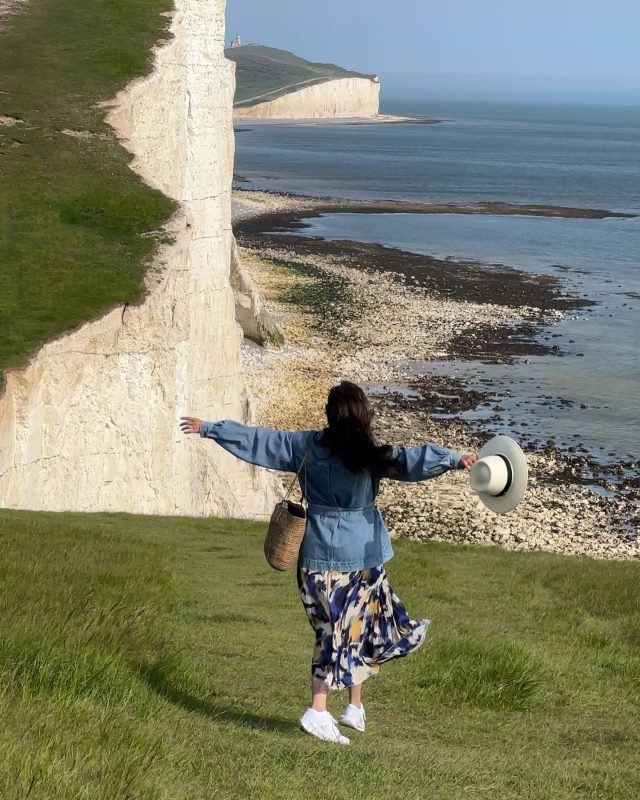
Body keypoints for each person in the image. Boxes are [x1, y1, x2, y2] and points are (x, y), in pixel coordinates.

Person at [180, 381, 476, 745]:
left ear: (330, 416)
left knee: (348, 629)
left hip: (319, 559)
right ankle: (317, 711)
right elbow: (411, 460)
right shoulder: (370, 455)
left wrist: (211, 429)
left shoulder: (307, 446)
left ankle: (354, 707)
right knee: (350, 630)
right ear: (363, 415)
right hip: (361, 559)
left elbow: (259, 441)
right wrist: (453, 459)